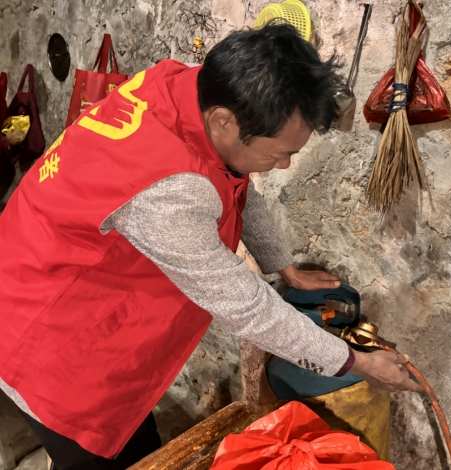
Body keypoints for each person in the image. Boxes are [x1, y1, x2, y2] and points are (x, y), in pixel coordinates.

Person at [0, 25, 420, 469]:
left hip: (66, 281)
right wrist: (354, 362)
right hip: (48, 333)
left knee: (136, 440)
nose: (284, 165)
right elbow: (245, 307)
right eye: (278, 153)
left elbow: (236, 184)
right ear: (224, 122)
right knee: (103, 450)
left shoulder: (192, 85)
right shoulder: (168, 190)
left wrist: (284, 266)